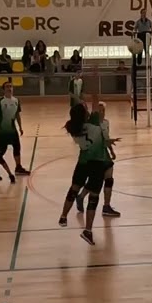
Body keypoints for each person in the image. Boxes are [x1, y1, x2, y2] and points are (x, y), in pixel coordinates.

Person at [58, 86, 108, 245]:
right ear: (85, 114)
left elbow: (83, 109)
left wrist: (79, 99)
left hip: (83, 162)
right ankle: (88, 230)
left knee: (73, 189)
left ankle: (64, 216)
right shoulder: (94, 121)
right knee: (93, 197)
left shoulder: (74, 128)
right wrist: (93, 82)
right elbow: (95, 99)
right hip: (97, 163)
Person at [73, 101, 120, 217]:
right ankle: (82, 197)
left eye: (103, 110)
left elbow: (106, 139)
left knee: (108, 179)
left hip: (104, 153)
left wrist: (111, 151)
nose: (101, 112)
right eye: (99, 110)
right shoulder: (91, 125)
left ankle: (106, 205)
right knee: (96, 179)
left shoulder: (106, 123)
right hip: (95, 155)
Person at [0, 81, 32, 176]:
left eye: (11, 86)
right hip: (3, 130)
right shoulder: (0, 102)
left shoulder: (16, 100)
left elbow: (17, 115)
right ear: (3, 89)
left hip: (12, 129)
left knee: (17, 147)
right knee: (2, 150)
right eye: (7, 86)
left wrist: (20, 127)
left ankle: (18, 167)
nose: (9, 88)